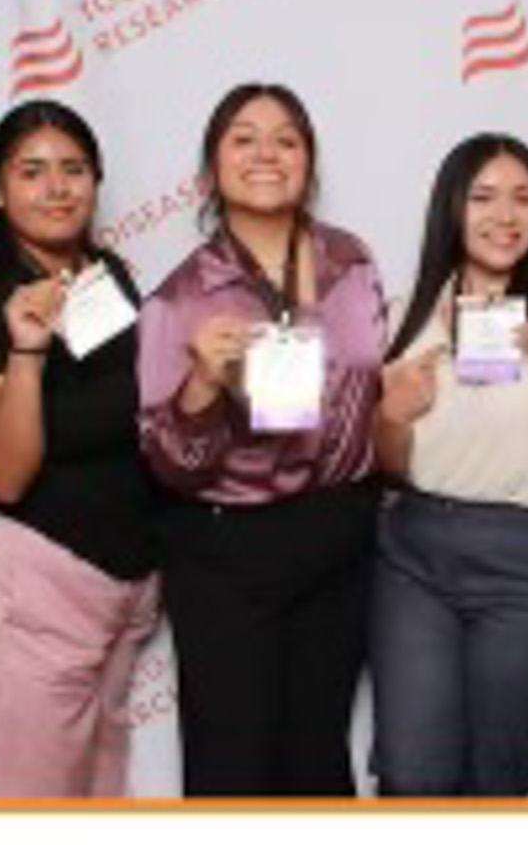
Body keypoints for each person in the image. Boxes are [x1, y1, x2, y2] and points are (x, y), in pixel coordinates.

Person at [136, 84, 385, 794]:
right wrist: (201, 391)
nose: (266, 153)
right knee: (233, 771)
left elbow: (366, 382)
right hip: (229, 553)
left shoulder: (352, 262)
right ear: (211, 171)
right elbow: (167, 465)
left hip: (338, 537)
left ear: (309, 160)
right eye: (243, 138)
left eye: (287, 138)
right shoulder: (180, 298)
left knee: (317, 765)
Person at [370, 134, 528, 794]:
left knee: (493, 783)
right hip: (416, 558)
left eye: (523, 199)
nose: (505, 216)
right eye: (483, 197)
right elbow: (391, 467)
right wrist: (392, 415)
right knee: (411, 777)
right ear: (451, 208)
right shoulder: (407, 314)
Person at [0, 101, 159, 797]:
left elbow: (131, 406)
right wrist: (27, 350)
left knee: (87, 790)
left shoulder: (104, 276)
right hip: (19, 582)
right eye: (32, 172)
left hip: (104, 596)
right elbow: (3, 473)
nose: (57, 188)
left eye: (73, 169)